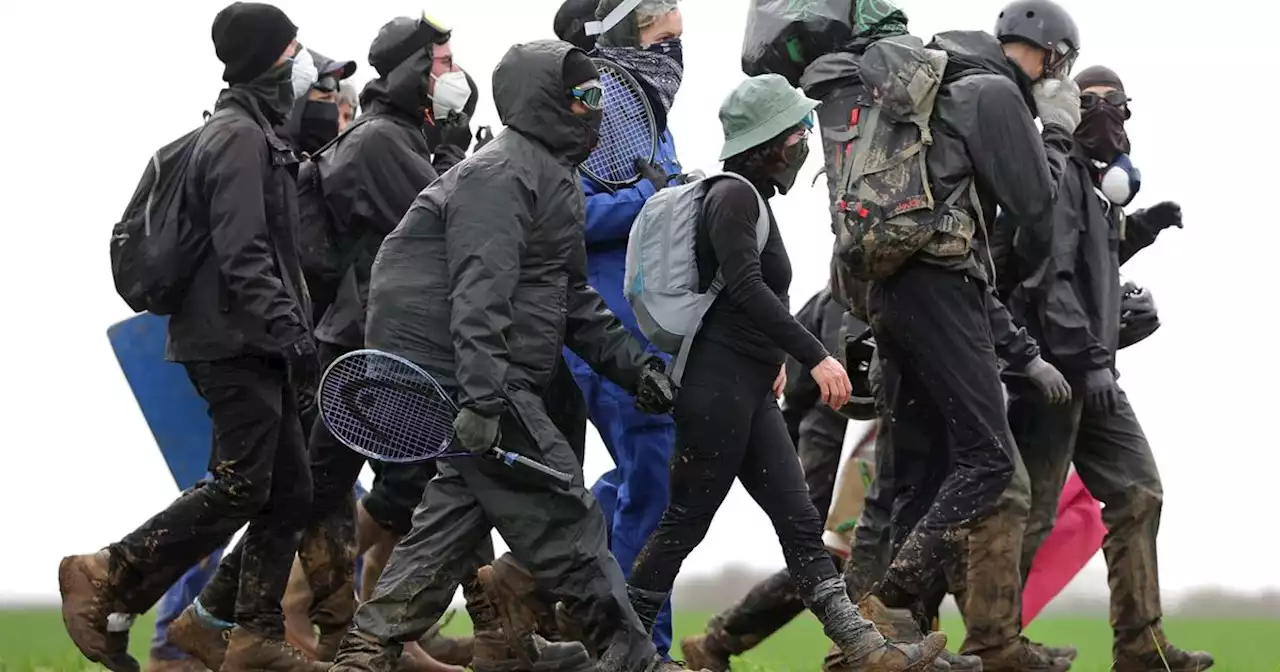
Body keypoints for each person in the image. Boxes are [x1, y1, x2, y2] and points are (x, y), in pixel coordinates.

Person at [330, 40, 682, 672]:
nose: (593, 108)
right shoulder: (501, 174)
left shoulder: (557, 179)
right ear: (545, 100)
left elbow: (572, 299)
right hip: (455, 373)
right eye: (581, 96)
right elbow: (478, 293)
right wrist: (482, 399)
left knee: (450, 520)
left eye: (598, 95)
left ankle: (361, 655)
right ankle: (636, 660)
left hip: (479, 376)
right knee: (565, 509)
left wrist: (637, 368)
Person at [624, 73, 945, 672]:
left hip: (749, 387)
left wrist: (770, 360)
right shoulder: (734, 196)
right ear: (771, 140)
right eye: (798, 132)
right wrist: (813, 355)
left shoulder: (752, 201)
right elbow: (744, 287)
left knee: (800, 522)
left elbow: (740, 299)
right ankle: (623, 649)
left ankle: (863, 648)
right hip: (715, 388)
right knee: (686, 521)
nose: (805, 143)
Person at [58, 4, 326, 671]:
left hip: (251, 338)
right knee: (242, 484)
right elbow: (243, 255)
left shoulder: (258, 135)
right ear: (268, 59)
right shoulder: (236, 137)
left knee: (291, 493)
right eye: (294, 50)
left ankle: (253, 635)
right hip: (230, 340)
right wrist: (295, 336)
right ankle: (107, 570)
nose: (305, 64)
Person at [832, 0, 1085, 668]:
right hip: (944, 284)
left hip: (887, 287)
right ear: (1043, 53)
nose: (1054, 77)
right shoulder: (993, 89)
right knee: (988, 459)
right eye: (1057, 65)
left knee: (920, 469)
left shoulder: (931, 83)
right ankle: (888, 600)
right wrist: (1056, 132)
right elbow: (1036, 208)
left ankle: (887, 643)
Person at [494, 0, 686, 659]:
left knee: (652, 480)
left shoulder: (648, 109)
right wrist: (659, 194)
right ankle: (641, 645)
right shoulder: (593, 109)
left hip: (654, 321)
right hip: (604, 321)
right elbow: (567, 213)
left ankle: (530, 574)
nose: (673, 53)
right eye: (664, 38)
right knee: (657, 483)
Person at [1002, 63, 1210, 672]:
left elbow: (1094, 257)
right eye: (1087, 103)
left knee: (1138, 492)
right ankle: (995, 643)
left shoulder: (1093, 189)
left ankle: (1141, 647)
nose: (1102, 115)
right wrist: (1092, 364)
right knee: (1031, 514)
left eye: (1111, 103)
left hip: (1091, 377)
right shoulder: (1060, 174)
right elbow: (1050, 279)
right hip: (1053, 376)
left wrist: (1142, 228)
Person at [679, 287, 853, 671]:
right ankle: (718, 641)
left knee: (843, 556)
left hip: (855, 438)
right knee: (823, 556)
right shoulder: (833, 303)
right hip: (832, 439)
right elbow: (797, 386)